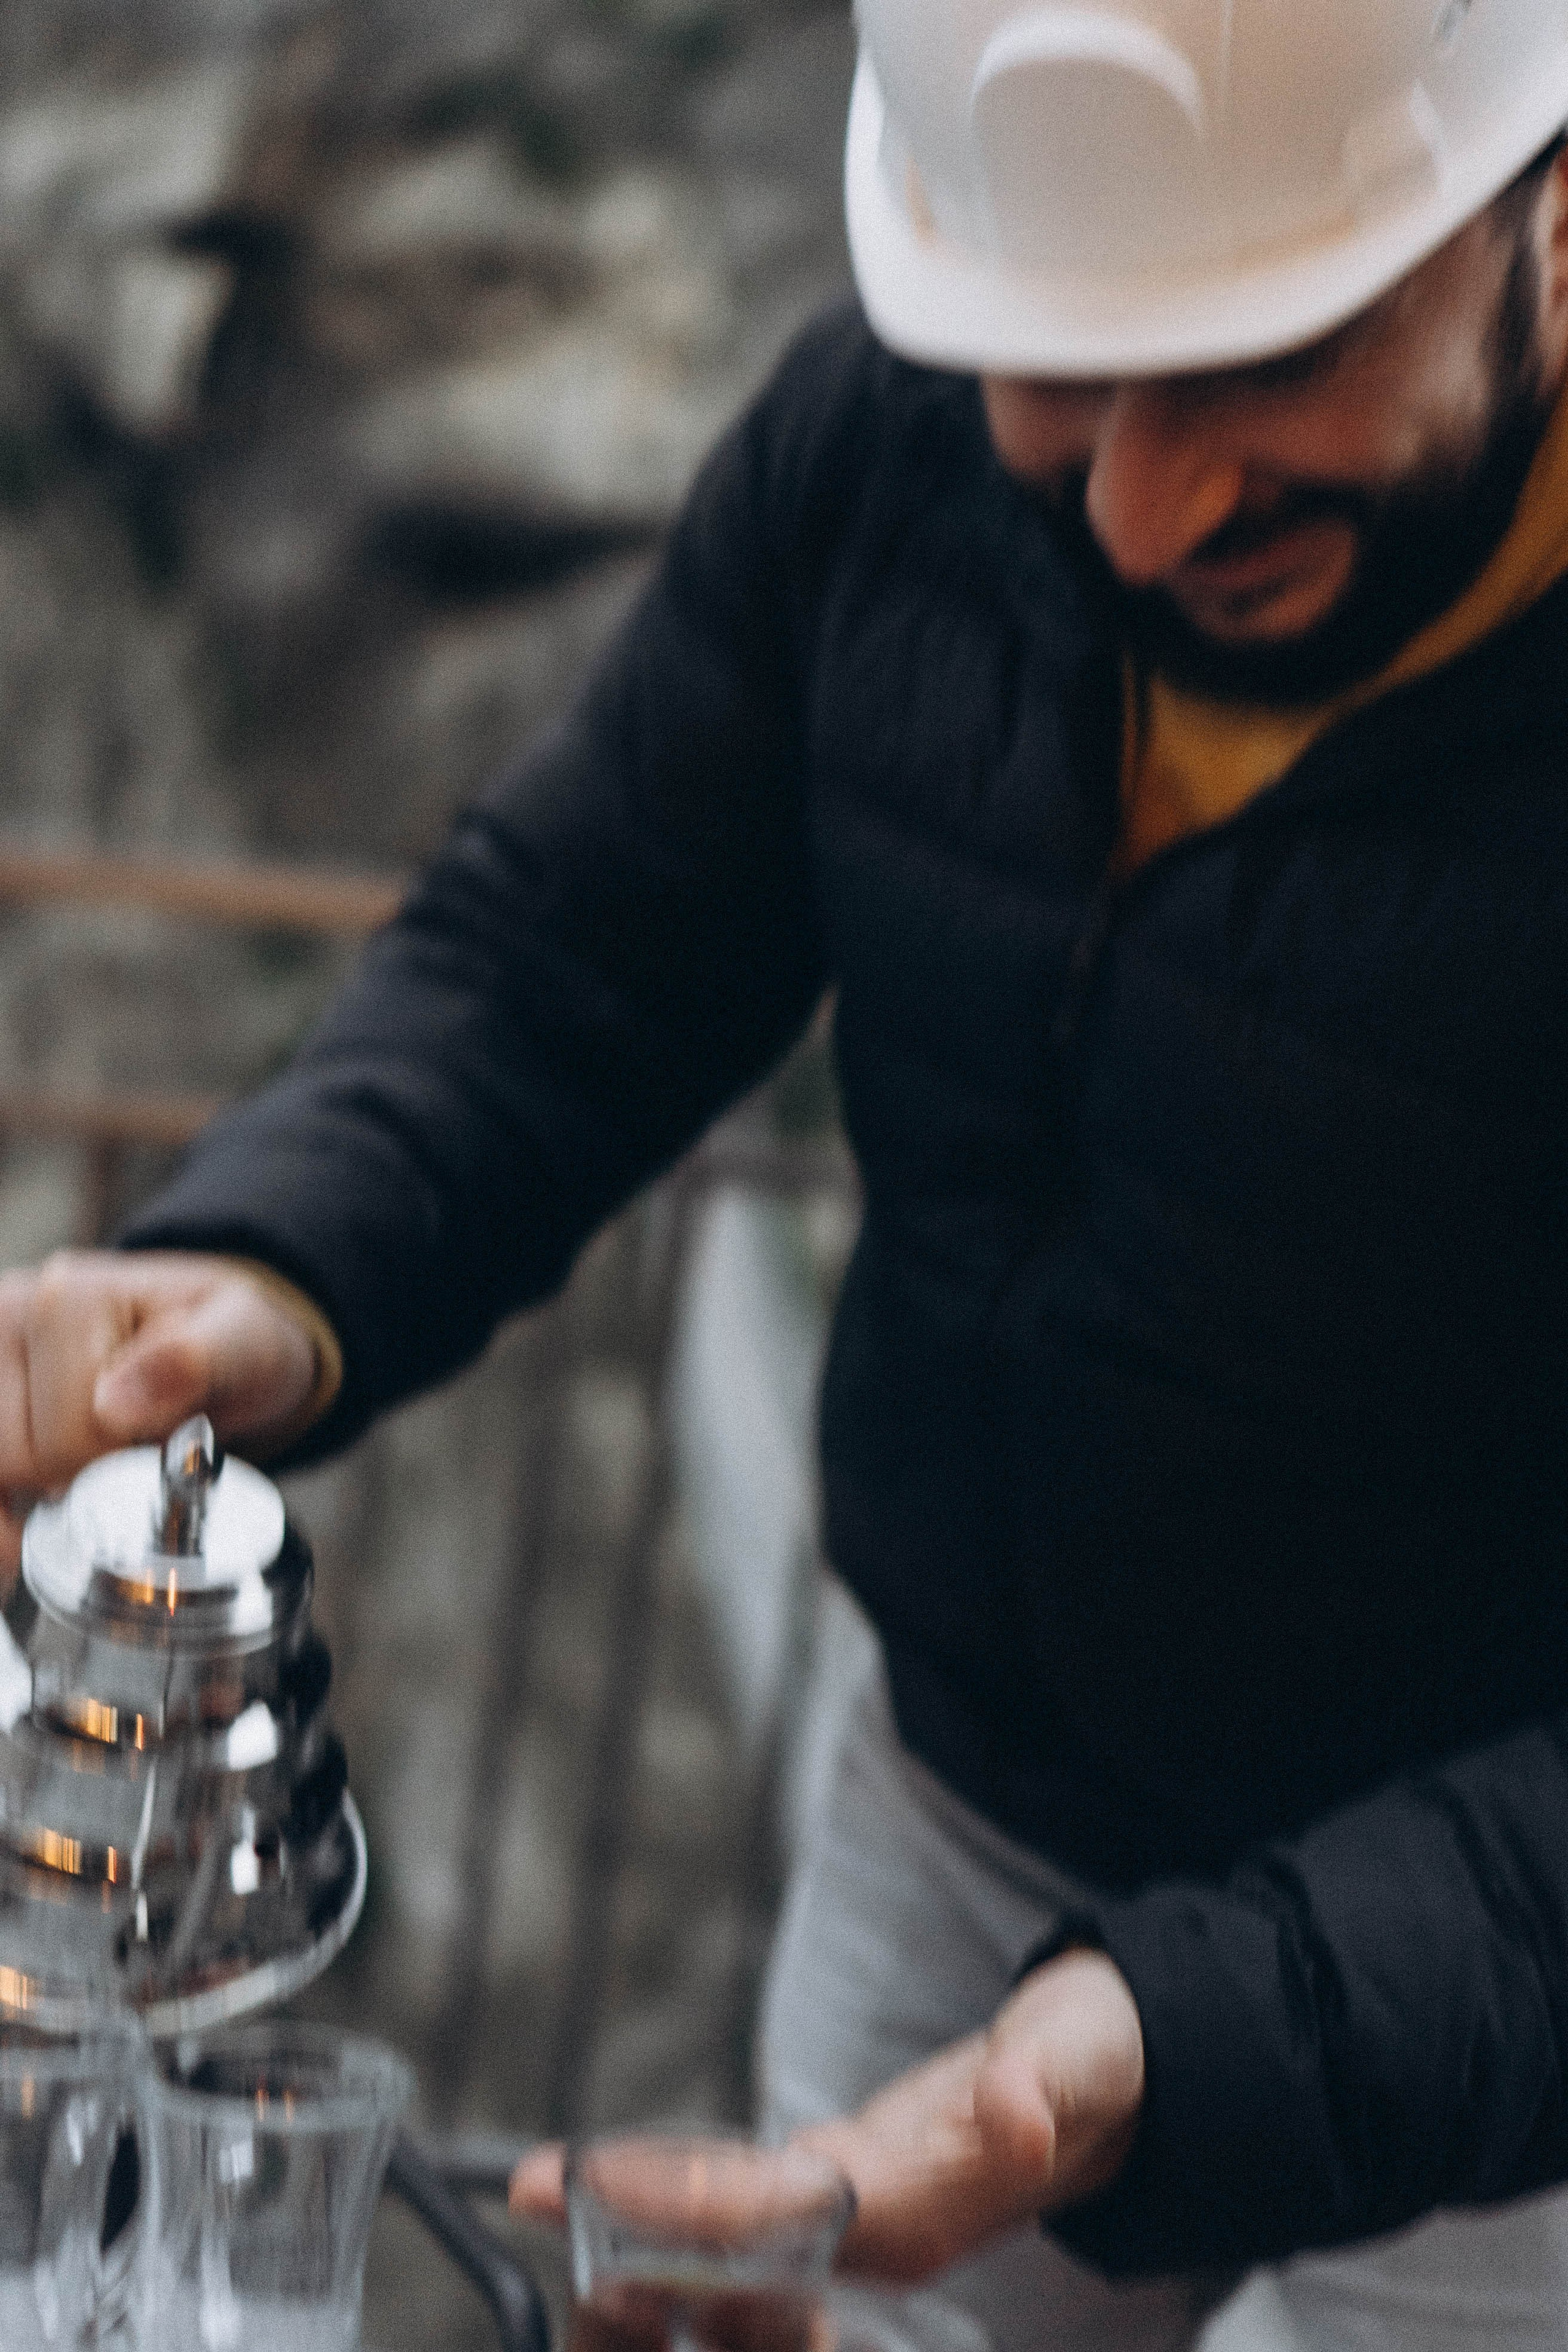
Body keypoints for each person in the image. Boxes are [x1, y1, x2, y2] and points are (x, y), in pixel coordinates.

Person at [6, 2, 1568, 2343]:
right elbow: (575, 947)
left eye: (1268, 354)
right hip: (958, 1828)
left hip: (1507, 2038)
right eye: (1059, 371)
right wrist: (264, 1264)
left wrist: (1167, 2051)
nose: (1141, 509)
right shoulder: (894, 454)